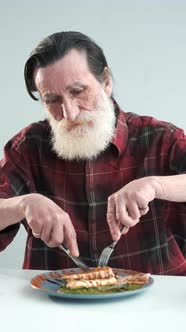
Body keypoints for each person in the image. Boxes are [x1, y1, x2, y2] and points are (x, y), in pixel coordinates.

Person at [0, 31, 186, 275]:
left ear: (106, 82)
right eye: (52, 99)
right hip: (54, 305)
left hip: (155, 301)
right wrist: (22, 205)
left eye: (78, 91)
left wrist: (155, 186)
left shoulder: (161, 138)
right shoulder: (27, 146)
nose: (69, 113)